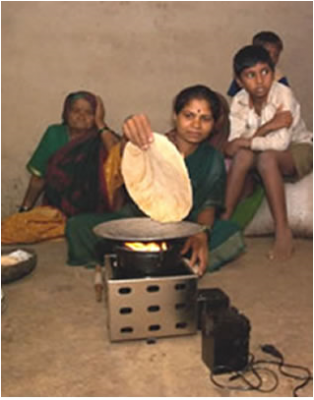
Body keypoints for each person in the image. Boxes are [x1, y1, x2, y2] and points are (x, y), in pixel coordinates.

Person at [66, 85, 245, 275]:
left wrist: (201, 234)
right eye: (189, 115)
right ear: (175, 116)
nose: (196, 125)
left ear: (214, 123)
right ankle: (168, 262)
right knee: (77, 226)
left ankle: (140, 260)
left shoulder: (212, 157)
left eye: (205, 118)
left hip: (186, 227)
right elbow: (129, 154)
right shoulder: (152, 145)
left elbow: (209, 206)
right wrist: (129, 132)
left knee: (230, 232)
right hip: (141, 221)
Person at [221, 45, 314, 261]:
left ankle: (283, 230)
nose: (260, 80)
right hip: (265, 147)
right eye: (250, 75)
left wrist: (247, 140)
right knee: (244, 156)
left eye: (265, 72)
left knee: (266, 158)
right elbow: (233, 144)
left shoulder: (283, 95)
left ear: (273, 73)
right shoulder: (239, 101)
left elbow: (280, 143)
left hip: (298, 147)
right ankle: (224, 221)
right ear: (239, 81)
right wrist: (266, 127)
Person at [0, 91, 124, 244]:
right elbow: (38, 179)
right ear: (66, 112)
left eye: (89, 113)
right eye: (76, 111)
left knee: (88, 231)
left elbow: (118, 162)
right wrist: (24, 209)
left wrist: (100, 123)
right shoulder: (54, 133)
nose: (81, 116)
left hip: (93, 214)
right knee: (12, 229)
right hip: (57, 212)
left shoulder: (103, 137)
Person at [227, 31, 289, 97]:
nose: (272, 58)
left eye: (276, 55)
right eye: (267, 53)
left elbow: (286, 95)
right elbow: (234, 94)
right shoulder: (244, 72)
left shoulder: (279, 77)